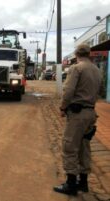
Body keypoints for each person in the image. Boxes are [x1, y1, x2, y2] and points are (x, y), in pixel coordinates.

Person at [53, 44, 102, 196]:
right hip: (91, 113)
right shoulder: (97, 70)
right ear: (89, 54)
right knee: (84, 148)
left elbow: (68, 91)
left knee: (70, 147)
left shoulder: (76, 68)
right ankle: (83, 183)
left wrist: (62, 107)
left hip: (78, 114)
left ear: (76, 54)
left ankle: (71, 184)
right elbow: (100, 92)